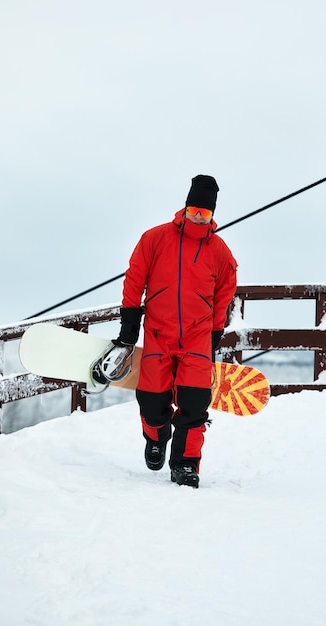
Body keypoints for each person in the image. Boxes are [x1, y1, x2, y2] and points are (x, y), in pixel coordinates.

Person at [115, 175, 237, 488]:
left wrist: (215, 333)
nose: (199, 216)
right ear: (185, 207)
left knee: (195, 404)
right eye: (195, 209)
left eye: (205, 212)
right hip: (158, 332)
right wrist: (129, 328)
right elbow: (134, 281)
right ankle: (156, 437)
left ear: (212, 215)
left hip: (197, 338)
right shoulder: (155, 238)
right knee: (152, 402)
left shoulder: (220, 252)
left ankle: (185, 464)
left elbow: (225, 291)